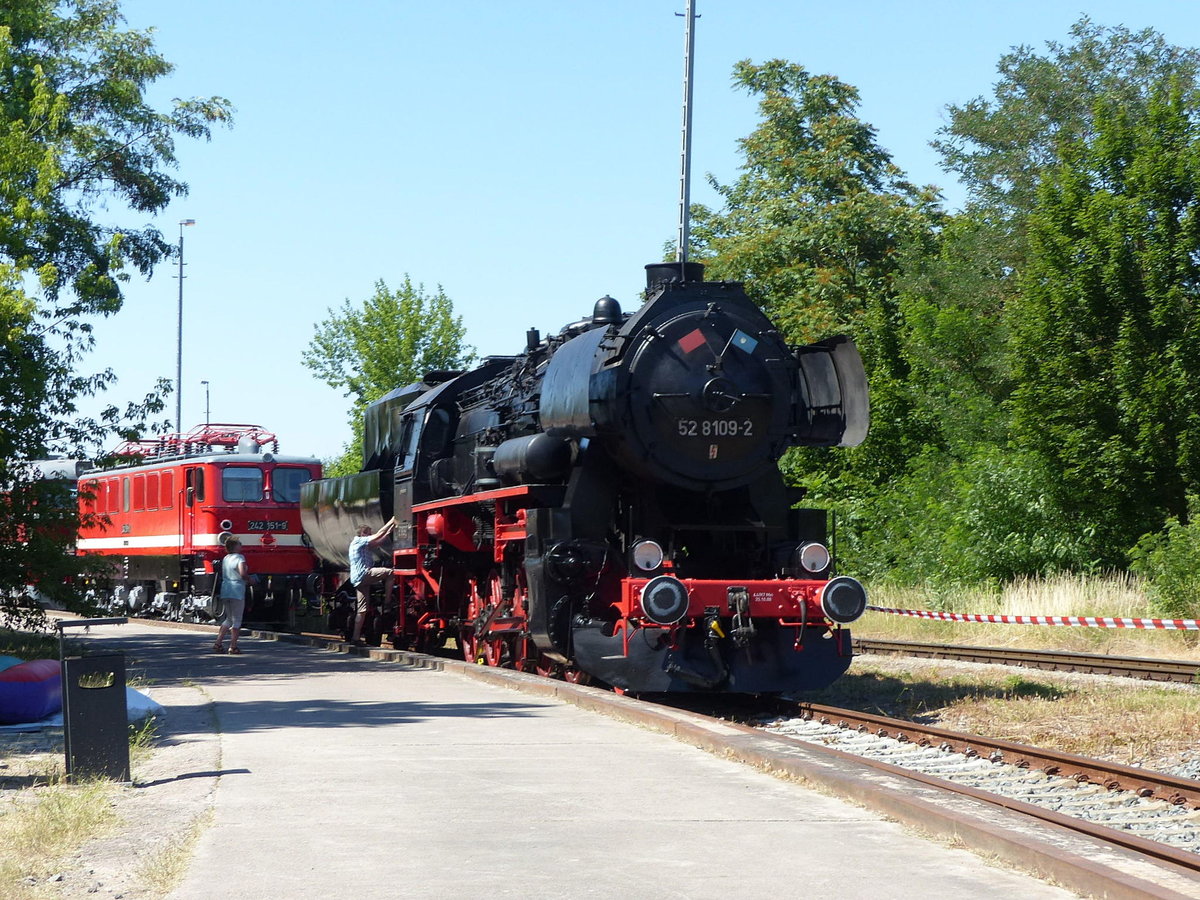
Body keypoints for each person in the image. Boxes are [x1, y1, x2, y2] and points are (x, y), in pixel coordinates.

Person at [348, 519, 395, 645]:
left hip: (358, 580)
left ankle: (355, 638)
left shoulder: (359, 544)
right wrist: (391, 521)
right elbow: (378, 534)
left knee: (362, 610)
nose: (370, 535)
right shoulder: (359, 540)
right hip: (364, 574)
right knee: (391, 572)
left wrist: (389, 531)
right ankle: (387, 602)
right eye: (368, 533)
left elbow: (378, 541)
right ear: (363, 533)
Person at [214, 536, 249, 654]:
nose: (241, 546)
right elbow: (242, 573)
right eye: (239, 544)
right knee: (237, 620)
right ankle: (233, 646)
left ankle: (218, 643)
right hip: (237, 591)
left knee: (228, 619)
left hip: (226, 590)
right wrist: (251, 580)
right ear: (235, 546)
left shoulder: (225, 558)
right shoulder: (240, 558)